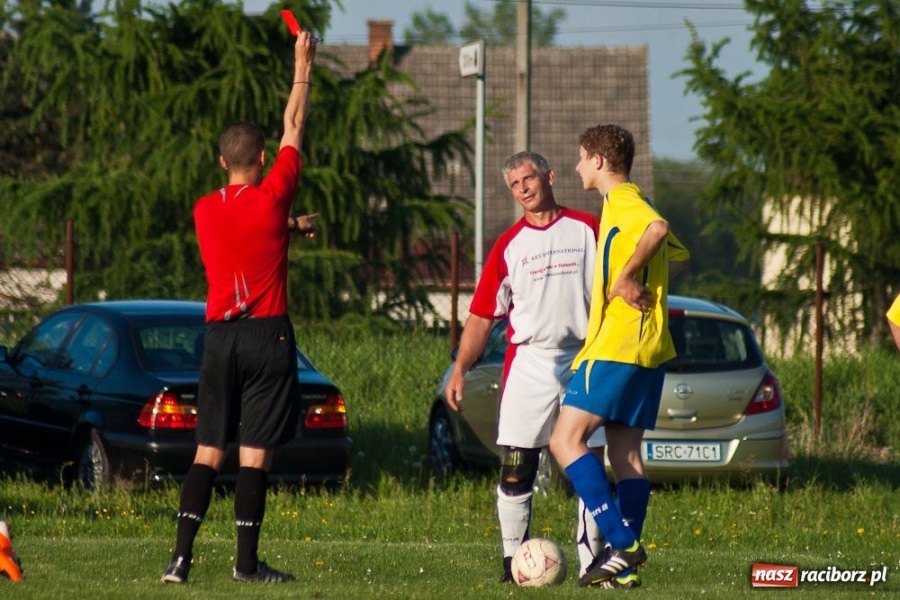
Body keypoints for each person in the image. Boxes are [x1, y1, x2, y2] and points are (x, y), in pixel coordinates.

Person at [161, 30, 319, 585]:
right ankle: (246, 565)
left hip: (219, 339)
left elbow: (245, 234)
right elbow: (293, 124)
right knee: (254, 454)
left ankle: (179, 561)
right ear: (261, 159)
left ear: (220, 161)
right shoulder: (274, 196)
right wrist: (302, 64)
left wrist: (289, 226)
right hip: (266, 337)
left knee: (208, 449)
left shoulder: (204, 209)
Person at [444, 151, 607, 583]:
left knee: (589, 464)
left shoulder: (587, 229)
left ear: (549, 177)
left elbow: (616, 281)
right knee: (517, 466)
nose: (523, 189)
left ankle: (593, 563)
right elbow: (482, 316)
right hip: (529, 363)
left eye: (529, 179)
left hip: (585, 358)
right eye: (515, 185)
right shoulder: (508, 245)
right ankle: (512, 564)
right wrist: (460, 369)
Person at [549, 124, 689, 589]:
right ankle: (622, 570)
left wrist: (627, 278)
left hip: (618, 344)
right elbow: (677, 254)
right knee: (626, 454)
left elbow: (658, 230)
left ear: (599, 161)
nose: (576, 167)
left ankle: (621, 543)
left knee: (564, 441)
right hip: (650, 348)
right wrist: (649, 278)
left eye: (581, 157)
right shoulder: (628, 201)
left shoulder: (625, 200)